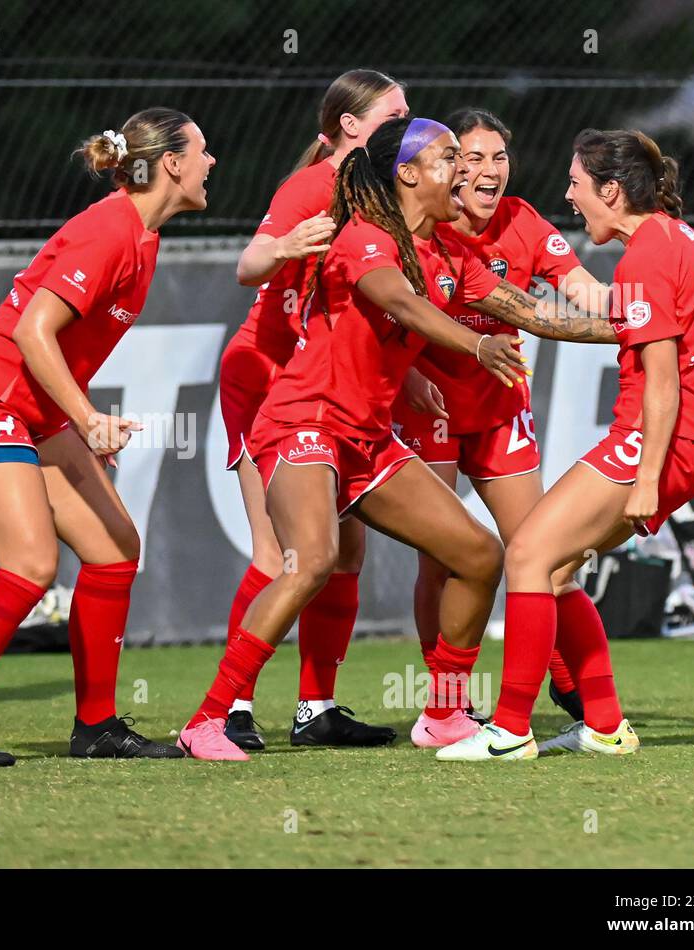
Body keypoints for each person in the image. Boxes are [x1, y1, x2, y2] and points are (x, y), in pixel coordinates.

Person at [177, 118, 531, 760]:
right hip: (302, 422)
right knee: (310, 560)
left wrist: (637, 324)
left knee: (480, 555)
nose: (468, 167)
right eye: (451, 155)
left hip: (367, 439)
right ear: (409, 174)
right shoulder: (364, 237)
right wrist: (476, 344)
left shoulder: (450, 252)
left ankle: (446, 714)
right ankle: (207, 720)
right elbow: (401, 304)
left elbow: (534, 313)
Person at [395, 109, 694, 738]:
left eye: (498, 157)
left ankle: (525, 716)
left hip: (506, 405)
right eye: (468, 158)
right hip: (435, 404)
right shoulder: (418, 234)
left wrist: (667, 304)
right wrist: (674, 302)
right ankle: (451, 705)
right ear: (438, 167)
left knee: (532, 554)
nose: (486, 170)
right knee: (451, 561)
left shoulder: (529, 224)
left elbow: (574, 301)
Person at [0, 108, 215, 766]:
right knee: (30, 564)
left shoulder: (143, 234)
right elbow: (30, 332)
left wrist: (75, 419)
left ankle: (97, 727)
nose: (211, 162)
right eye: (202, 151)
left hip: (32, 409)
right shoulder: (109, 229)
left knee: (114, 548)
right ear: (171, 163)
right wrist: (86, 418)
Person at [218, 69, 408, 751]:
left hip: (321, 383)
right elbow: (248, 264)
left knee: (345, 547)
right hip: (266, 376)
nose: (407, 122)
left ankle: (316, 707)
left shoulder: (376, 190)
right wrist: (285, 247)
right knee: (282, 553)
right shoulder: (315, 185)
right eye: (394, 112)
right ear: (350, 127)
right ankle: (229, 706)